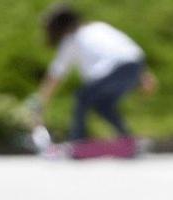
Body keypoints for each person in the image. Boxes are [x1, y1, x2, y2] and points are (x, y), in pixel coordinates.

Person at [36, 4, 157, 142]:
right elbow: (126, 50)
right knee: (103, 105)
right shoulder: (99, 27)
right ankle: (126, 138)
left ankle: (78, 140)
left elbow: (55, 76)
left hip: (113, 70)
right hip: (134, 66)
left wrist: (40, 103)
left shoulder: (71, 40)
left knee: (82, 98)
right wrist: (144, 74)